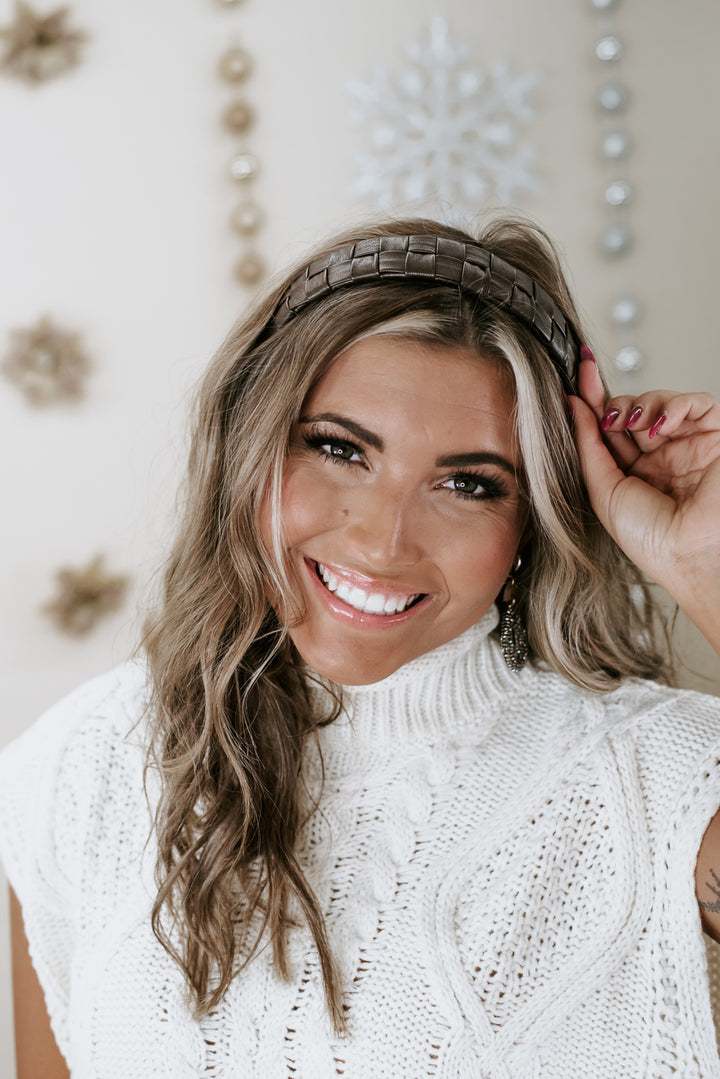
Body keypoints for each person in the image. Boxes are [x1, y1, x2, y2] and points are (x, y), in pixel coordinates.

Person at [3, 215, 720, 1079]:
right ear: (247, 446)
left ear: (531, 521)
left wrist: (707, 564)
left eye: (468, 484)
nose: (385, 542)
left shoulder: (658, 777)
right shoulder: (78, 762)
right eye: (339, 449)